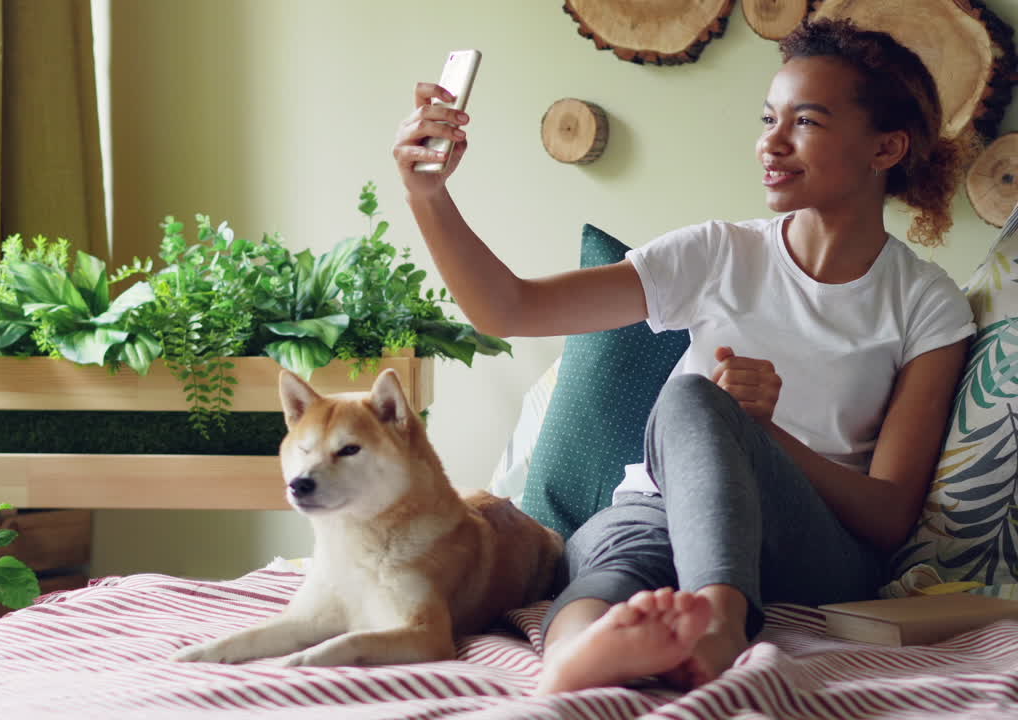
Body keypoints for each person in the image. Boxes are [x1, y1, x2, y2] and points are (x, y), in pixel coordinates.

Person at [391, 18, 975, 693]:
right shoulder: (718, 252)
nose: (771, 142)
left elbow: (889, 515)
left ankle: (718, 624)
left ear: (887, 147)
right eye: (769, 119)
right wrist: (427, 195)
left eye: (806, 122)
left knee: (696, 397)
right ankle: (575, 655)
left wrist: (761, 432)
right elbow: (511, 310)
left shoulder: (926, 302)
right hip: (658, 511)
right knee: (614, 562)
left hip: (805, 546)